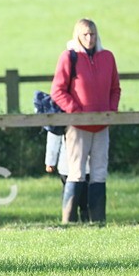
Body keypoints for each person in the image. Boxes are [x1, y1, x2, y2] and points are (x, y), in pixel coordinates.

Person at [50, 18, 120, 224]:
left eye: (93, 34)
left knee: (99, 171)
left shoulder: (107, 57)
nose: (89, 39)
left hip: (101, 124)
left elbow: (115, 88)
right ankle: (69, 220)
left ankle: (98, 219)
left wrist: (110, 110)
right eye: (85, 35)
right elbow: (58, 90)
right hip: (78, 125)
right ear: (77, 36)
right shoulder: (69, 57)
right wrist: (76, 111)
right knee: (76, 171)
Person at [45, 130, 90, 222]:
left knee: (81, 197)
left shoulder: (61, 116)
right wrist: (50, 161)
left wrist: (50, 161)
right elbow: (54, 134)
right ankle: (77, 219)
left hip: (73, 165)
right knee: (84, 197)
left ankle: (72, 220)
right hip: (72, 165)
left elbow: (54, 134)